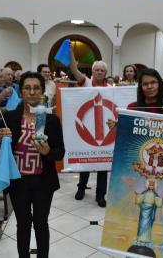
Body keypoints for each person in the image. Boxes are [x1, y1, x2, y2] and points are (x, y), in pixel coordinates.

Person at [0, 71, 65, 258]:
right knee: (23, 223)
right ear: (21, 91)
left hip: (43, 180)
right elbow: (1, 153)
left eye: (36, 88)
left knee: (41, 223)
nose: (32, 92)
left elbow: (60, 152)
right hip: (18, 180)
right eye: (27, 88)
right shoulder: (10, 118)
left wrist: (48, 152)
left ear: (43, 91)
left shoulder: (51, 119)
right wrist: (0, 140)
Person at [69, 44, 110, 207]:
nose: (99, 72)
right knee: (85, 158)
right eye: (97, 70)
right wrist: (71, 53)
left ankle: (101, 194)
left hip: (103, 128)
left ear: (105, 73)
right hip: (86, 125)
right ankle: (81, 188)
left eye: (102, 70)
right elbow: (73, 68)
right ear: (92, 71)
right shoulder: (85, 82)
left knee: (103, 163)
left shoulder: (109, 88)